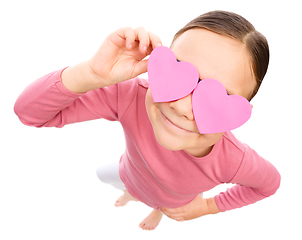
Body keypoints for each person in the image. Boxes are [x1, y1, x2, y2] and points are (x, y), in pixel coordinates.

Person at [14, 11, 281, 231]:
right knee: (112, 179)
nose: (180, 106)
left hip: (172, 202)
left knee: (161, 205)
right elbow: (29, 113)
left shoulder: (234, 161)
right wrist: (91, 74)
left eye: (219, 97)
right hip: (129, 174)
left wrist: (207, 207)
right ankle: (132, 194)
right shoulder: (131, 96)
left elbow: (269, 185)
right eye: (177, 71)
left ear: (239, 114)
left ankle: (156, 211)